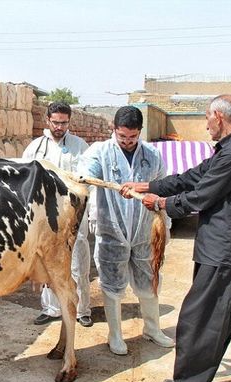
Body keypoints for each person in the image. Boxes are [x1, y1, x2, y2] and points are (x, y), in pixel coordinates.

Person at [120, 95, 231, 382]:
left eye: (207, 118)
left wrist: (160, 203)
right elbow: (190, 178)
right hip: (217, 247)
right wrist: (147, 185)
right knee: (211, 318)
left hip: (226, 250)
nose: (205, 124)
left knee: (200, 321)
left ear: (219, 117)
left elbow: (200, 195)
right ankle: (196, 381)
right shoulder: (228, 151)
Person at [77, 105, 175, 355]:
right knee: (111, 284)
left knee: (149, 280)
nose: (128, 142)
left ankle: (152, 329)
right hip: (112, 232)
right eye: (122, 137)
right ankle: (115, 335)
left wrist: (151, 197)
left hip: (143, 229)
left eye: (132, 137)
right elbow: (86, 178)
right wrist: (90, 178)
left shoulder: (152, 154)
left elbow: (162, 185)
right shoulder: (100, 152)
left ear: (139, 132)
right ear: (114, 130)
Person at [22, 101, 94, 328]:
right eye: (56, 122)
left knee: (78, 261)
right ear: (47, 121)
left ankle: (82, 310)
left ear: (68, 122)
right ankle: (51, 308)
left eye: (64, 123)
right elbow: (24, 179)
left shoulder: (80, 146)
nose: (59, 127)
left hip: (73, 214)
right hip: (45, 214)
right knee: (47, 260)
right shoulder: (35, 148)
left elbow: (88, 180)